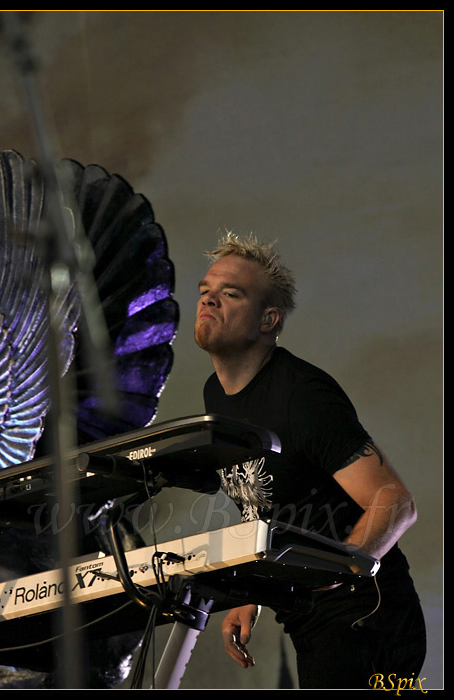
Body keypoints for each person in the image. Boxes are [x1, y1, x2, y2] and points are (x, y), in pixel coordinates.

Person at [193, 232, 426, 690]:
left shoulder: (303, 396)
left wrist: (336, 577)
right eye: (205, 290)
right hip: (309, 617)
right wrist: (251, 593)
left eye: (231, 294)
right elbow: (261, 502)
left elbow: (396, 502)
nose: (209, 300)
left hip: (366, 616)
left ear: (268, 320)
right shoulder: (215, 394)